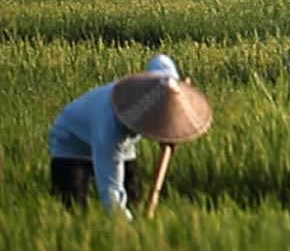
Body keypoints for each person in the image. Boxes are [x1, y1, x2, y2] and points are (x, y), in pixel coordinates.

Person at [48, 54, 212, 218]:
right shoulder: (110, 129)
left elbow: (160, 60)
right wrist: (126, 228)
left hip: (121, 143)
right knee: (73, 208)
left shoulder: (160, 84)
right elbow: (111, 189)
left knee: (134, 199)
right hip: (71, 142)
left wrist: (170, 131)